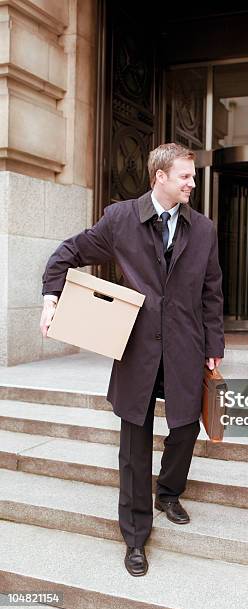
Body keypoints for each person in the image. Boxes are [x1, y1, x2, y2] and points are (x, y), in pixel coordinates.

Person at [40, 143, 224, 576]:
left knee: (184, 427)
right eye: (185, 176)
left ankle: (169, 491)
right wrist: (51, 299)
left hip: (185, 347)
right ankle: (135, 536)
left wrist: (214, 346)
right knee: (133, 448)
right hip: (137, 350)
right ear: (159, 175)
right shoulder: (121, 218)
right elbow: (68, 253)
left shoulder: (204, 230)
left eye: (192, 176)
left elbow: (212, 292)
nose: (192, 183)